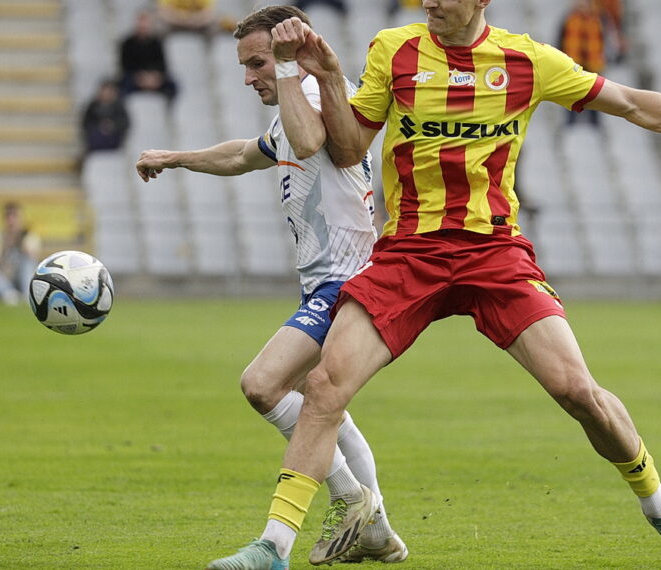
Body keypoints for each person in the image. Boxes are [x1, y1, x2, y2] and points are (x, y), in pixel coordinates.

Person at [207, 1, 661, 569]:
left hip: (494, 253)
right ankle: (274, 547)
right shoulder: (395, 49)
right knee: (326, 385)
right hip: (410, 251)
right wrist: (331, 77)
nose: (430, 2)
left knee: (577, 392)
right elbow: (350, 146)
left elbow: (631, 104)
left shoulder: (528, 60)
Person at [133, 6, 407, 568]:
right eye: (245, 65)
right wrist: (177, 158)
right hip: (323, 286)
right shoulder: (290, 105)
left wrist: (285, 68)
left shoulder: (323, 93)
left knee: (262, 384)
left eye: (257, 61)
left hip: (348, 282)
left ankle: (347, 504)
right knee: (320, 404)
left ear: (288, 53)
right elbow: (243, 154)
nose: (248, 75)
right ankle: (375, 529)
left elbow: (309, 144)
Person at [557, 0, 607, 128]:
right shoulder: (568, 18)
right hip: (572, 64)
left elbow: (606, 39)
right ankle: (571, 124)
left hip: (593, 64)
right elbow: (559, 40)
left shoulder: (600, 18)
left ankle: (595, 124)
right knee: (570, 96)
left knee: (595, 96)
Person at [118, 10, 178, 100]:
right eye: (140, 23)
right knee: (122, 86)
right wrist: (140, 77)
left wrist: (154, 76)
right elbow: (125, 65)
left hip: (154, 78)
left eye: (145, 24)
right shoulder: (127, 43)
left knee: (172, 86)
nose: (143, 26)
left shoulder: (156, 42)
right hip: (134, 78)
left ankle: (166, 110)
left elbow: (162, 64)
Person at [81, 79, 131, 154]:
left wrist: (112, 125)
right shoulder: (93, 106)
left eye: (109, 91)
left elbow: (125, 122)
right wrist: (100, 127)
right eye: (105, 91)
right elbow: (86, 123)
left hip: (113, 140)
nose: (106, 94)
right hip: (96, 140)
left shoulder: (118, 107)